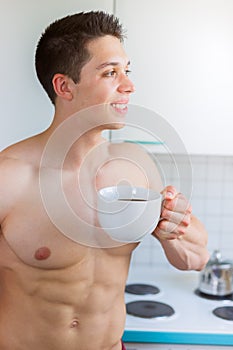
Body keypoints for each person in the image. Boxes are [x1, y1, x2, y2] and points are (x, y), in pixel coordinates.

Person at [0, 11, 209, 350]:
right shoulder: (9, 177)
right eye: (110, 73)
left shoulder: (135, 166)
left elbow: (194, 259)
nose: (129, 85)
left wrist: (174, 229)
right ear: (64, 86)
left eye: (127, 71)